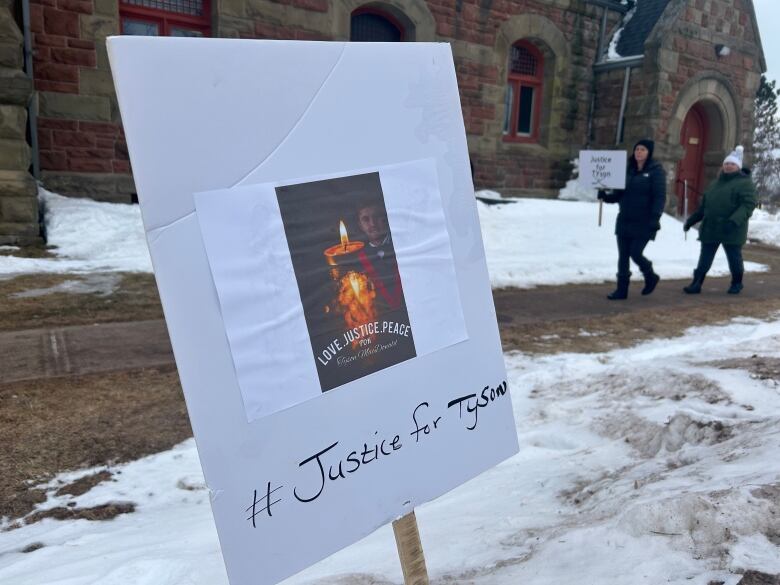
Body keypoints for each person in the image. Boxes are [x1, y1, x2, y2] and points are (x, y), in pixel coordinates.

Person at [597, 139, 667, 300]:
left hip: (645, 220)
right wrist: (605, 197)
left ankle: (650, 275)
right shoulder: (627, 170)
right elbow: (618, 195)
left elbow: (660, 197)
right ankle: (621, 290)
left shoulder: (656, 171)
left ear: (649, 153)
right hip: (624, 219)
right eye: (637, 149)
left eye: (642, 149)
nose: (639, 152)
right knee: (623, 256)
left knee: (635, 253)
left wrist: (655, 217)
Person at [682, 146, 757, 295]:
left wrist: (733, 222)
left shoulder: (745, 183)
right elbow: (705, 206)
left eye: (732, 164)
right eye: (727, 163)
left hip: (732, 228)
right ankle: (696, 283)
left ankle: (737, 282)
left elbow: (747, 205)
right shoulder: (715, 184)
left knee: (734, 257)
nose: (729, 166)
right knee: (705, 257)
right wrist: (691, 220)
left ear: (738, 166)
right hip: (711, 227)